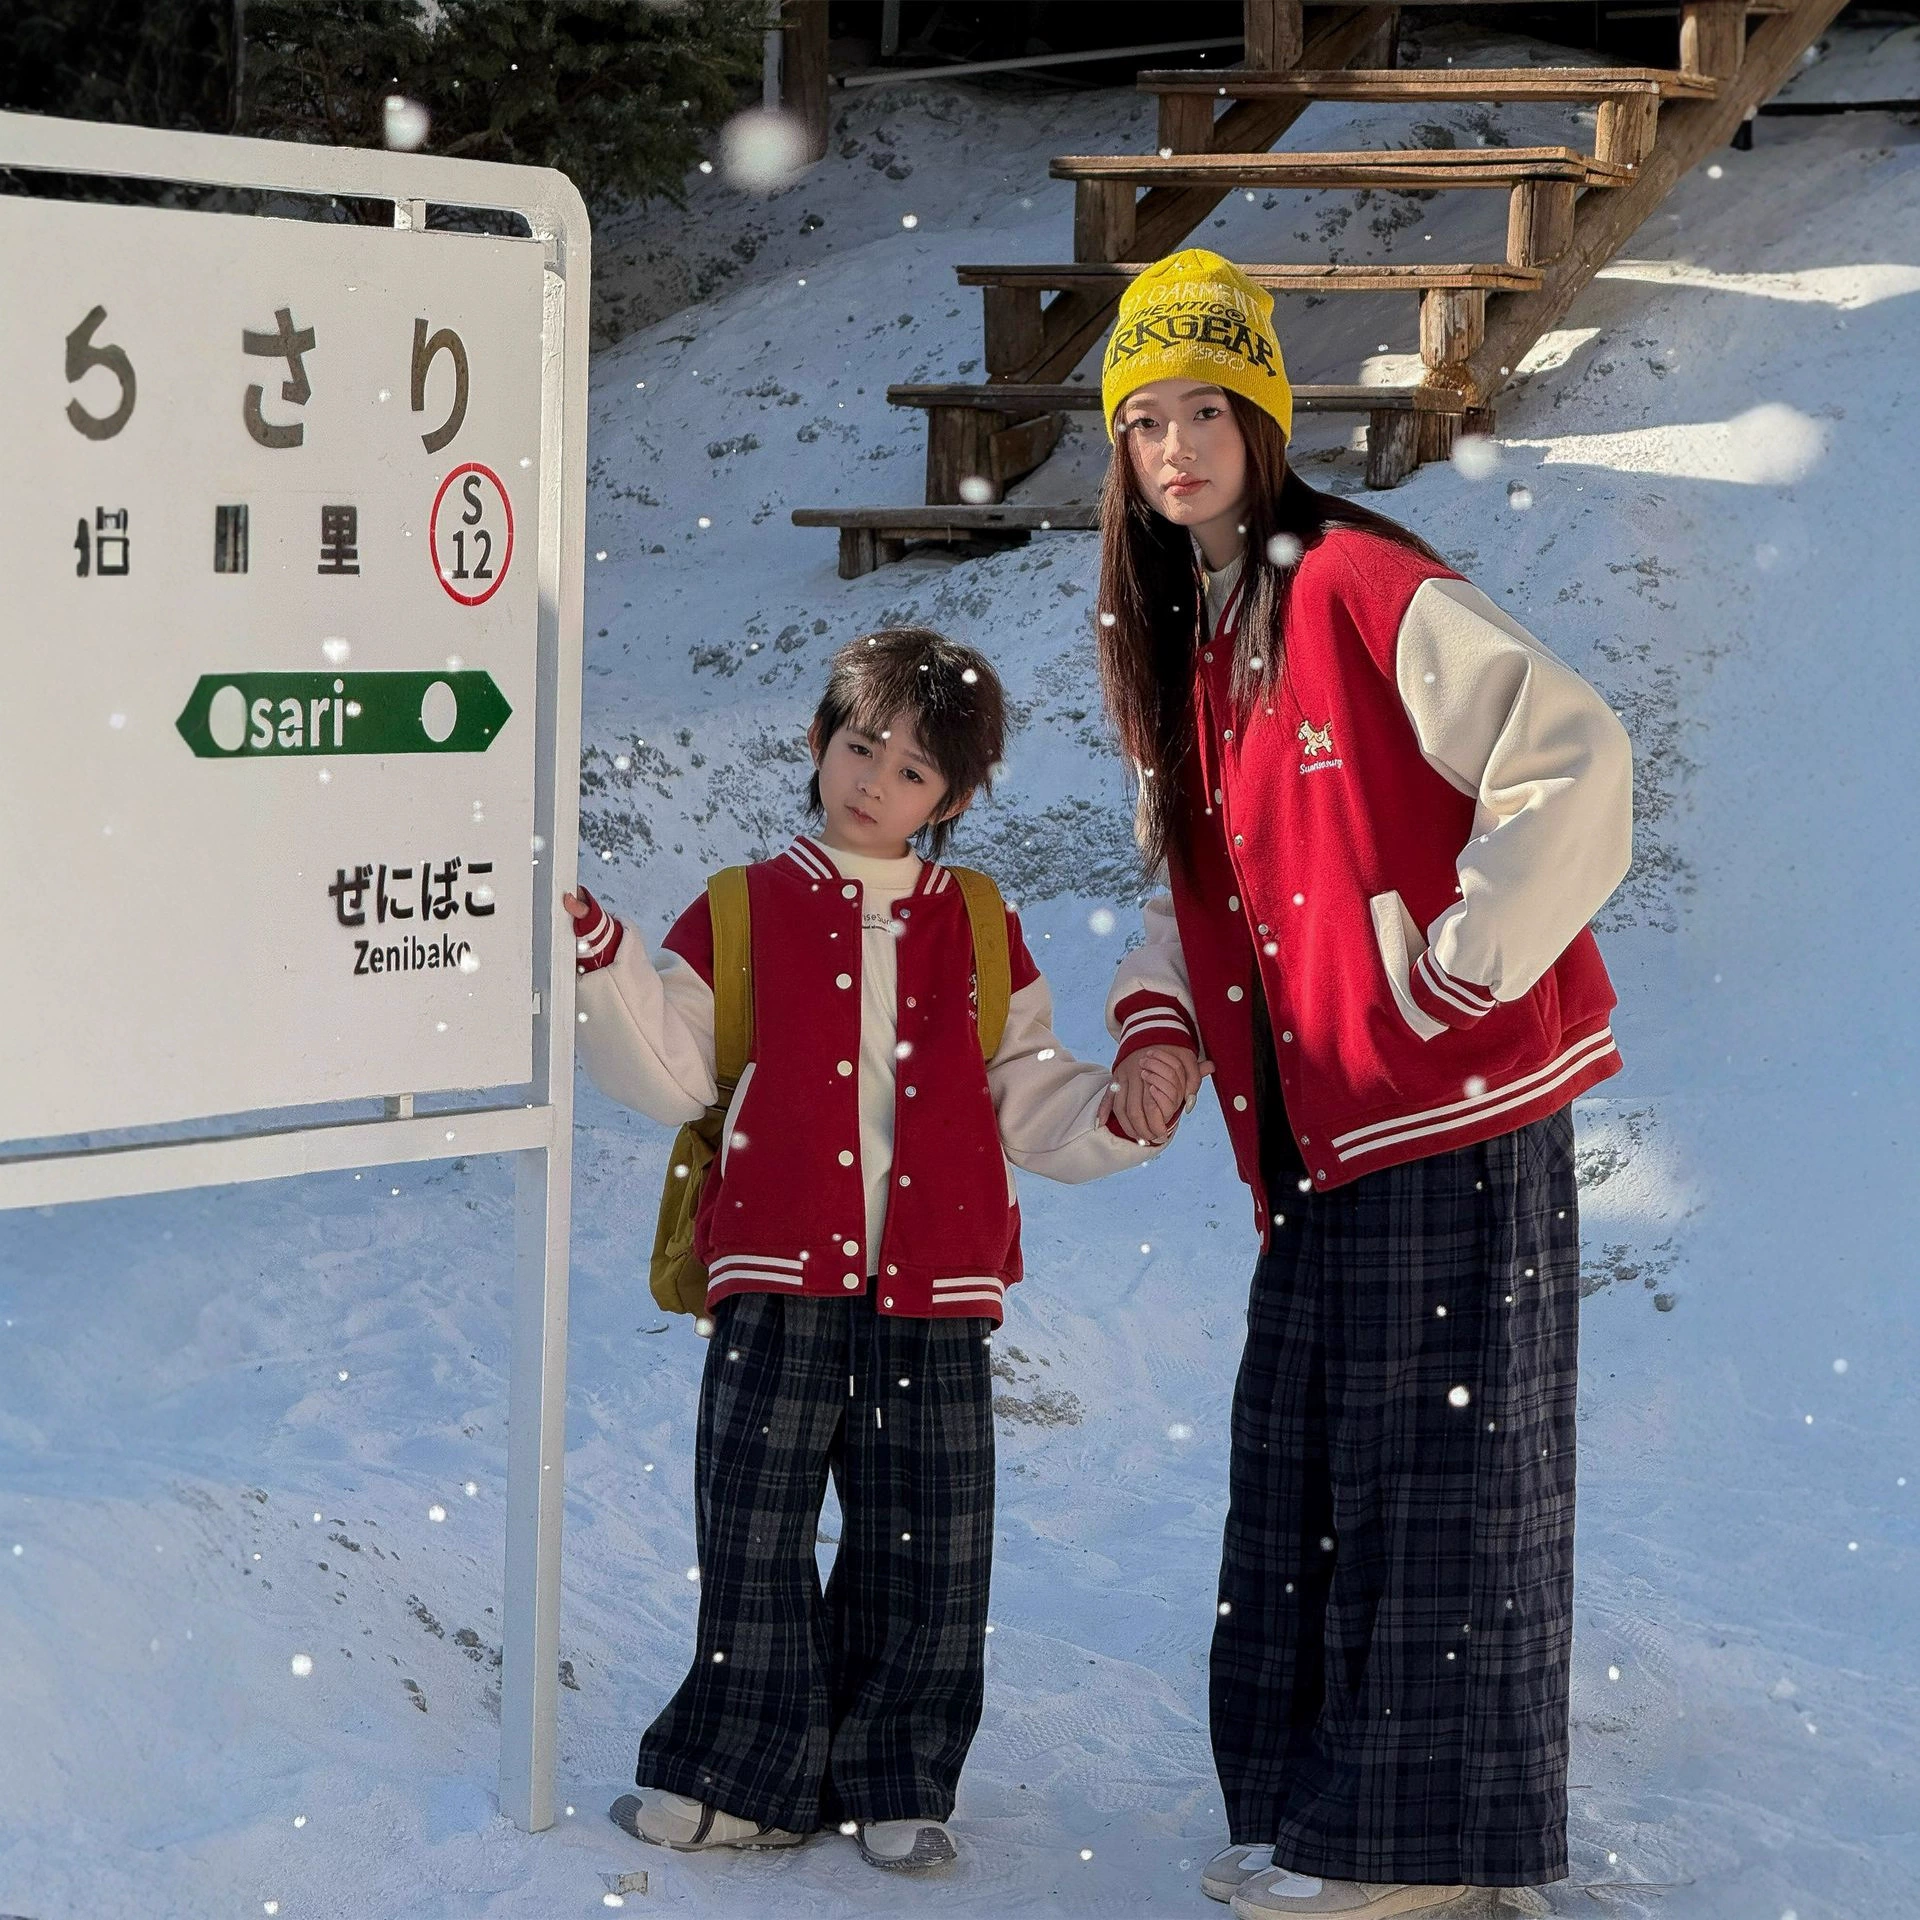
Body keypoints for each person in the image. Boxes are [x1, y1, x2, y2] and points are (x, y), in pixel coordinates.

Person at [1092, 252, 1635, 1920]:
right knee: (1307, 1472)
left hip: (1450, 1111)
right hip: (1322, 1141)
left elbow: (1576, 750)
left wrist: (1457, 966)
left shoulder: (1351, 580)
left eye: (1207, 410)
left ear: (1265, 422)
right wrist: (1162, 1024)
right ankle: (1324, 1815)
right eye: (1144, 420)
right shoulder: (1189, 642)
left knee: (1437, 1483)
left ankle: (1418, 1861)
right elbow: (1194, 887)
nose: (1175, 446)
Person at [565, 626, 1188, 1876]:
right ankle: (740, 1771)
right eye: (860, 747)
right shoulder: (740, 909)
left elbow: (1023, 1087)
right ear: (818, 744)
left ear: (949, 799)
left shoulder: (977, 919)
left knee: (932, 1541)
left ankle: (898, 1772)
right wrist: (599, 957)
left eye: (911, 770)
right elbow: (673, 1061)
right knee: (753, 1524)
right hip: (777, 1269)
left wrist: (1113, 1113)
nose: (874, 781)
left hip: (938, 1284)